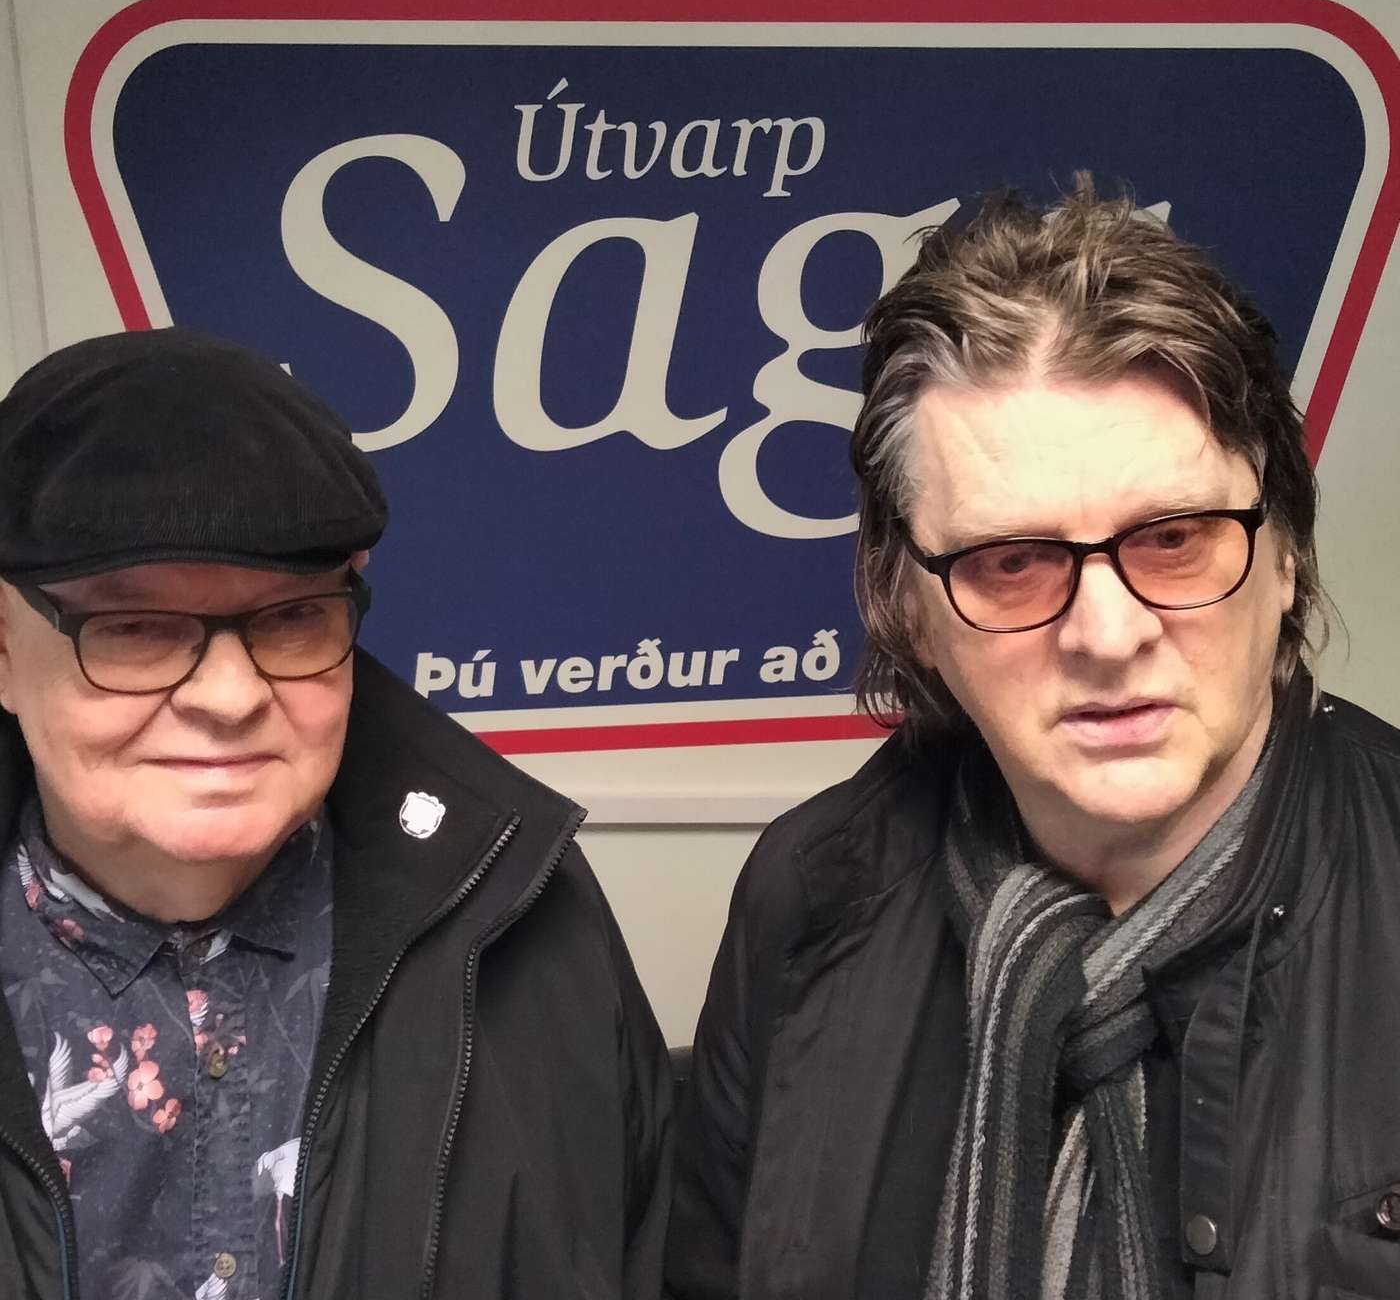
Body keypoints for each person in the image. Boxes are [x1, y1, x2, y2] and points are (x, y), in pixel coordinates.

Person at [665, 181, 1400, 1299]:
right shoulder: (812, 893)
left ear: (1285, 554)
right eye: (1011, 561)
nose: (1108, 634)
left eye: (1175, 538)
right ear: (907, 605)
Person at [0, 328, 671, 1300]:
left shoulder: (525, 915)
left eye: (290, 617)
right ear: (6, 648)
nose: (230, 695)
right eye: (136, 627)